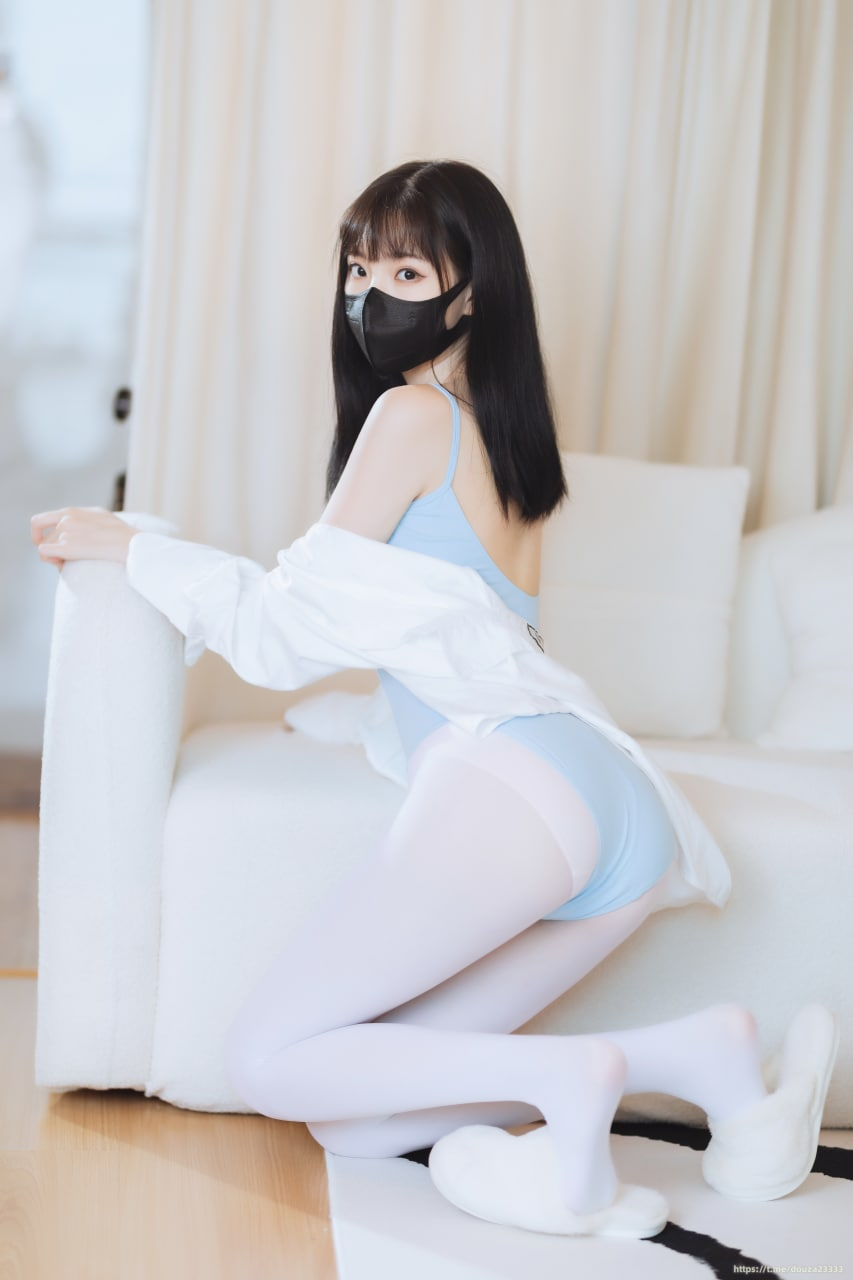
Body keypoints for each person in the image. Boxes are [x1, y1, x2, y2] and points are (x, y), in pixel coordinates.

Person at [31, 159, 838, 1239]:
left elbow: (283, 625)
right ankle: (699, 1054)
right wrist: (345, 717)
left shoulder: (412, 415)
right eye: (358, 270)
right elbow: (464, 643)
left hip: (524, 781)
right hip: (612, 809)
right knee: (359, 1120)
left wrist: (134, 549)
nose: (370, 295)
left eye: (406, 272)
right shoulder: (506, 438)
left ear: (470, 294)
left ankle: (569, 1077)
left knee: (267, 1058)